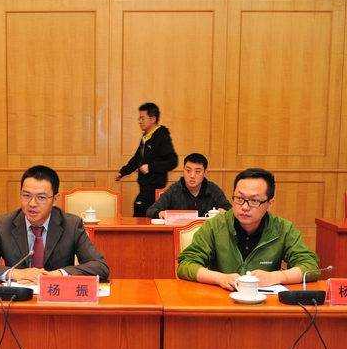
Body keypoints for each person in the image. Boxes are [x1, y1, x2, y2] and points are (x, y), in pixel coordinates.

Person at [177, 167, 319, 290]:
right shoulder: (215, 226)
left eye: (254, 200)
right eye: (239, 198)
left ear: (270, 203)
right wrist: (219, 278)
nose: (245, 207)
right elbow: (186, 265)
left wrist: (276, 277)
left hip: (265, 304)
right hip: (221, 300)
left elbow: (310, 266)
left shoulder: (283, 229)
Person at [0, 165, 109, 283]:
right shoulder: (4, 224)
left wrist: (59, 274)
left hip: (56, 298)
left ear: (55, 199)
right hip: (17, 298)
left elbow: (100, 267)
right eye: (26, 195)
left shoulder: (71, 225)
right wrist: (16, 273)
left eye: (41, 197)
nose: (32, 204)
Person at [116, 102, 178, 217]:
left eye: (142, 118)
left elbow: (173, 161)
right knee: (139, 211)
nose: (139, 121)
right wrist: (123, 172)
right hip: (144, 188)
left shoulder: (161, 136)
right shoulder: (146, 137)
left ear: (153, 119)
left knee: (141, 211)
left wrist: (150, 167)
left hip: (154, 190)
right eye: (139, 119)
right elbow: (137, 159)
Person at [146, 153, 230, 219]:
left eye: (197, 172)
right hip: (180, 232)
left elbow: (229, 210)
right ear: (183, 170)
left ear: (205, 173)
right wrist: (160, 213)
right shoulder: (175, 189)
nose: (192, 175)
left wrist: (224, 211)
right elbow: (151, 210)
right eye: (188, 170)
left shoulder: (212, 189)